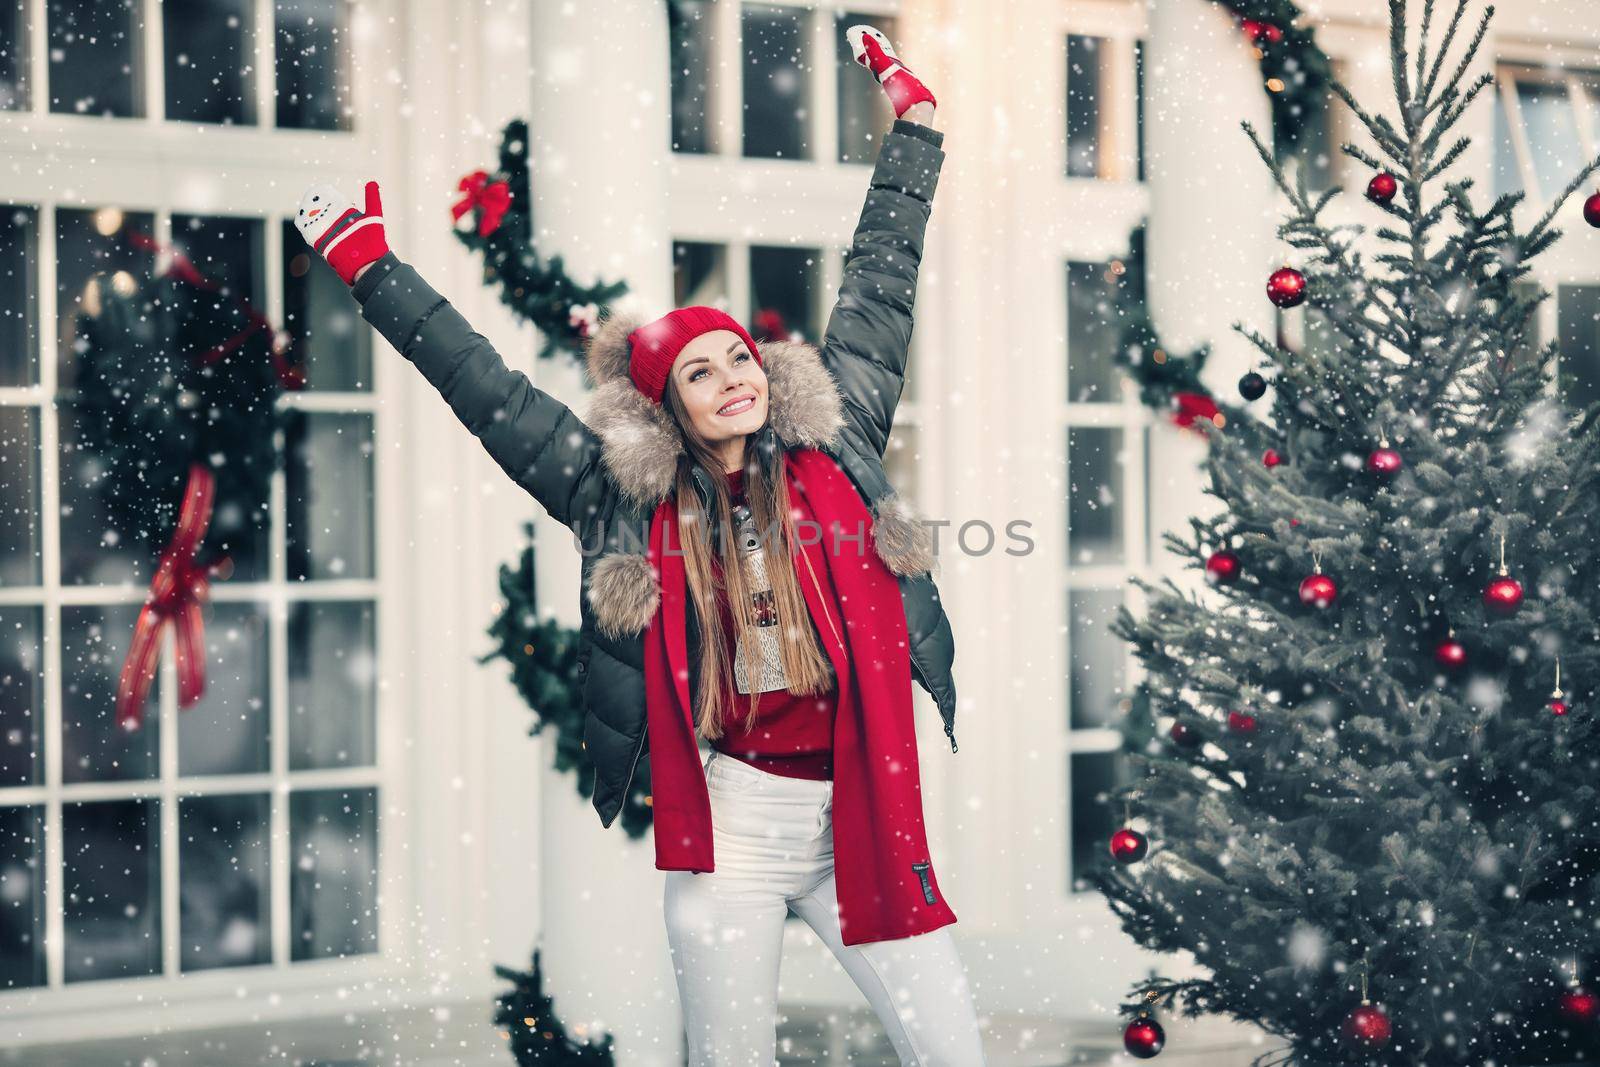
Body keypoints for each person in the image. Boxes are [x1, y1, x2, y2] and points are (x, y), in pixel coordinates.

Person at [293, 24, 983, 1066]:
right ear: (666, 403)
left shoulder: (835, 434)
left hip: (859, 808)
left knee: (950, 1045)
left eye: (739, 358)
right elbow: (485, 389)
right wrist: (372, 270)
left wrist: (916, 128)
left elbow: (881, 279)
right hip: (735, 824)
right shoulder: (614, 495)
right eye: (701, 371)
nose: (733, 377)